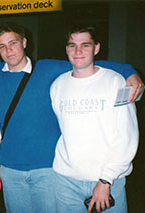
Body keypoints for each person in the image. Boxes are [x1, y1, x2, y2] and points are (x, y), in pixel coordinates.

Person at [0, 22, 143, 212]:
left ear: (24, 42)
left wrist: (129, 71)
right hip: (10, 169)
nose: (8, 50)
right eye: (2, 46)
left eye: (13, 43)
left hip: (48, 169)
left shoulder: (48, 68)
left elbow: (86, 63)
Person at [50, 26, 139, 213]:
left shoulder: (117, 83)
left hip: (108, 182)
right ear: (66, 49)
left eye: (85, 45)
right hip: (66, 182)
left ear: (96, 48)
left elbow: (127, 136)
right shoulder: (58, 85)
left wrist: (105, 180)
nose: (78, 51)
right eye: (72, 45)